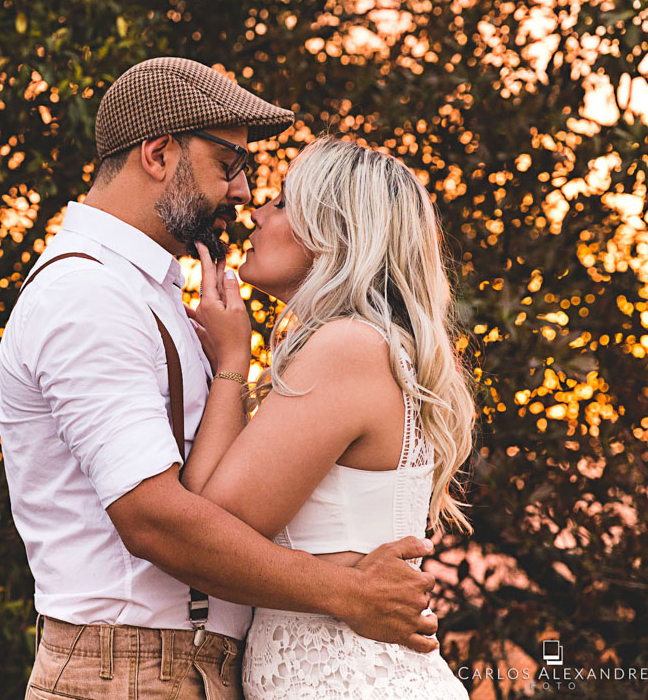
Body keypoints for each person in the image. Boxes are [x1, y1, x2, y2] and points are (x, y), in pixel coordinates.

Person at [0, 58, 440, 700]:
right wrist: (347, 590)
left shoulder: (163, 300)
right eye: (230, 164)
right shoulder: (89, 295)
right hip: (126, 671)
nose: (242, 193)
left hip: (194, 668)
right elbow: (155, 519)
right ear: (158, 153)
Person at [182, 136, 475, 699]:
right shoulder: (373, 348)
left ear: (334, 232)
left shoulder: (348, 348)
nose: (258, 210)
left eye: (285, 201)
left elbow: (209, 530)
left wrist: (232, 364)